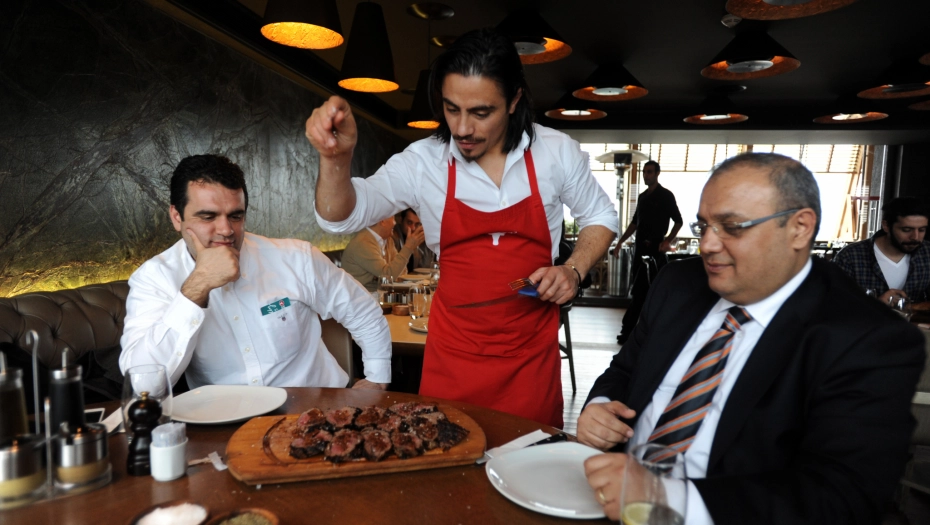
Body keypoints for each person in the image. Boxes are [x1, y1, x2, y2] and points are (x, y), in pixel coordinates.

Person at [578, 153, 925, 525]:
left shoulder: (868, 338)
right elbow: (624, 371)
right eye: (703, 226)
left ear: (800, 228)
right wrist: (601, 405)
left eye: (732, 227)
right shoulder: (677, 283)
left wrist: (666, 497)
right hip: (608, 500)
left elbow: (841, 496)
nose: (707, 245)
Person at [304, 28, 618, 428]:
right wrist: (335, 159)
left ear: (515, 99)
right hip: (453, 357)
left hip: (530, 360)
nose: (463, 128)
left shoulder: (556, 152)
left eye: (481, 112)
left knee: (531, 456)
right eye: (452, 109)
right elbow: (340, 217)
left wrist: (573, 269)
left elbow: (602, 215)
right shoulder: (423, 162)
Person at [119, 154, 391, 391]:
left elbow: (362, 310)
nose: (226, 230)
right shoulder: (154, 279)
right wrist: (197, 287)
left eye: (235, 216)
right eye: (208, 217)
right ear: (177, 217)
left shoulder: (296, 258)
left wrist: (377, 378)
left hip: (315, 408)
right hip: (228, 423)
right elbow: (144, 384)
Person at [611, 160, 683, 344]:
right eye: (644, 172)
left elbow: (678, 221)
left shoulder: (666, 196)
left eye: (649, 172)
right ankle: (634, 332)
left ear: (657, 173)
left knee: (646, 293)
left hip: (655, 252)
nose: (646, 175)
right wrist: (620, 242)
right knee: (639, 292)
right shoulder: (642, 197)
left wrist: (667, 241)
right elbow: (635, 223)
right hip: (639, 250)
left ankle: (630, 331)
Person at [833, 196, 929, 304]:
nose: (915, 237)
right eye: (906, 230)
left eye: (922, 230)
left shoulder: (927, 253)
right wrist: (876, 305)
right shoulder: (850, 257)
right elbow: (833, 305)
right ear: (886, 226)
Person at [342, 215, 425, 292]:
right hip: (361, 297)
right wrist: (408, 247)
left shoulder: (388, 240)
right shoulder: (363, 243)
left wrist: (386, 274)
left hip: (378, 295)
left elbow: (402, 271)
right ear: (383, 221)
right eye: (393, 218)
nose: (395, 223)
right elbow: (388, 275)